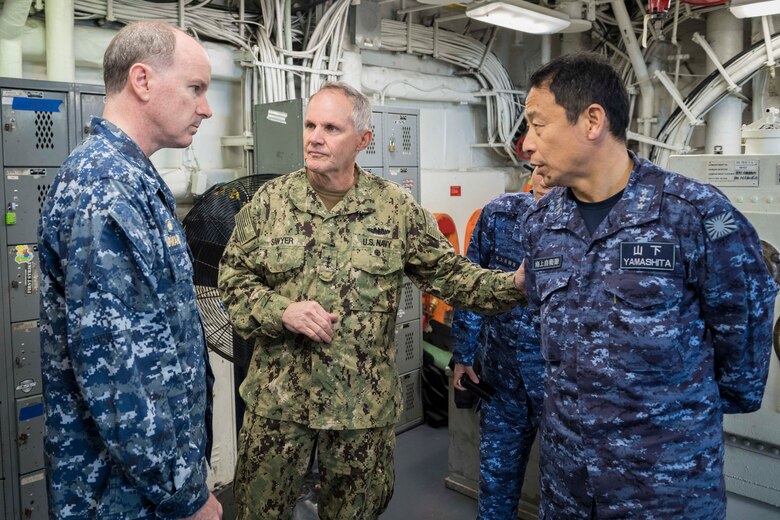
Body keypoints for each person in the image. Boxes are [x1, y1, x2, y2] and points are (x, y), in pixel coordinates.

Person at [218, 81, 526, 520]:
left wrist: (514, 285)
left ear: (364, 140)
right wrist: (281, 310)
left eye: (330, 127)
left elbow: (452, 277)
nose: (314, 137)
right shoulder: (269, 203)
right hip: (278, 408)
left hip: (360, 410)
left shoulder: (395, 209)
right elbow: (231, 280)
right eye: (309, 125)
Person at [520, 52, 777, 519]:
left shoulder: (693, 213)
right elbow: (545, 325)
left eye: (538, 126)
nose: (527, 145)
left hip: (664, 480)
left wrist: (686, 410)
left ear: (592, 120)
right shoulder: (541, 221)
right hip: (568, 479)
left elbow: (746, 317)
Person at [38, 21, 222, 520]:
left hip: (143, 487)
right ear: (142, 81)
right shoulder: (105, 191)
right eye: (196, 88)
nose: (206, 108)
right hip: (121, 497)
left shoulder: (132, 179)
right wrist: (186, 495)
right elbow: (119, 376)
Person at [451, 169, 549, 520]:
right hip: (502, 378)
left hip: (561, 390)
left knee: (562, 494)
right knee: (495, 484)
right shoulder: (499, 215)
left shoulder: (594, 228)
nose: (544, 171)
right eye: (539, 163)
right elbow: (472, 285)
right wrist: (463, 354)